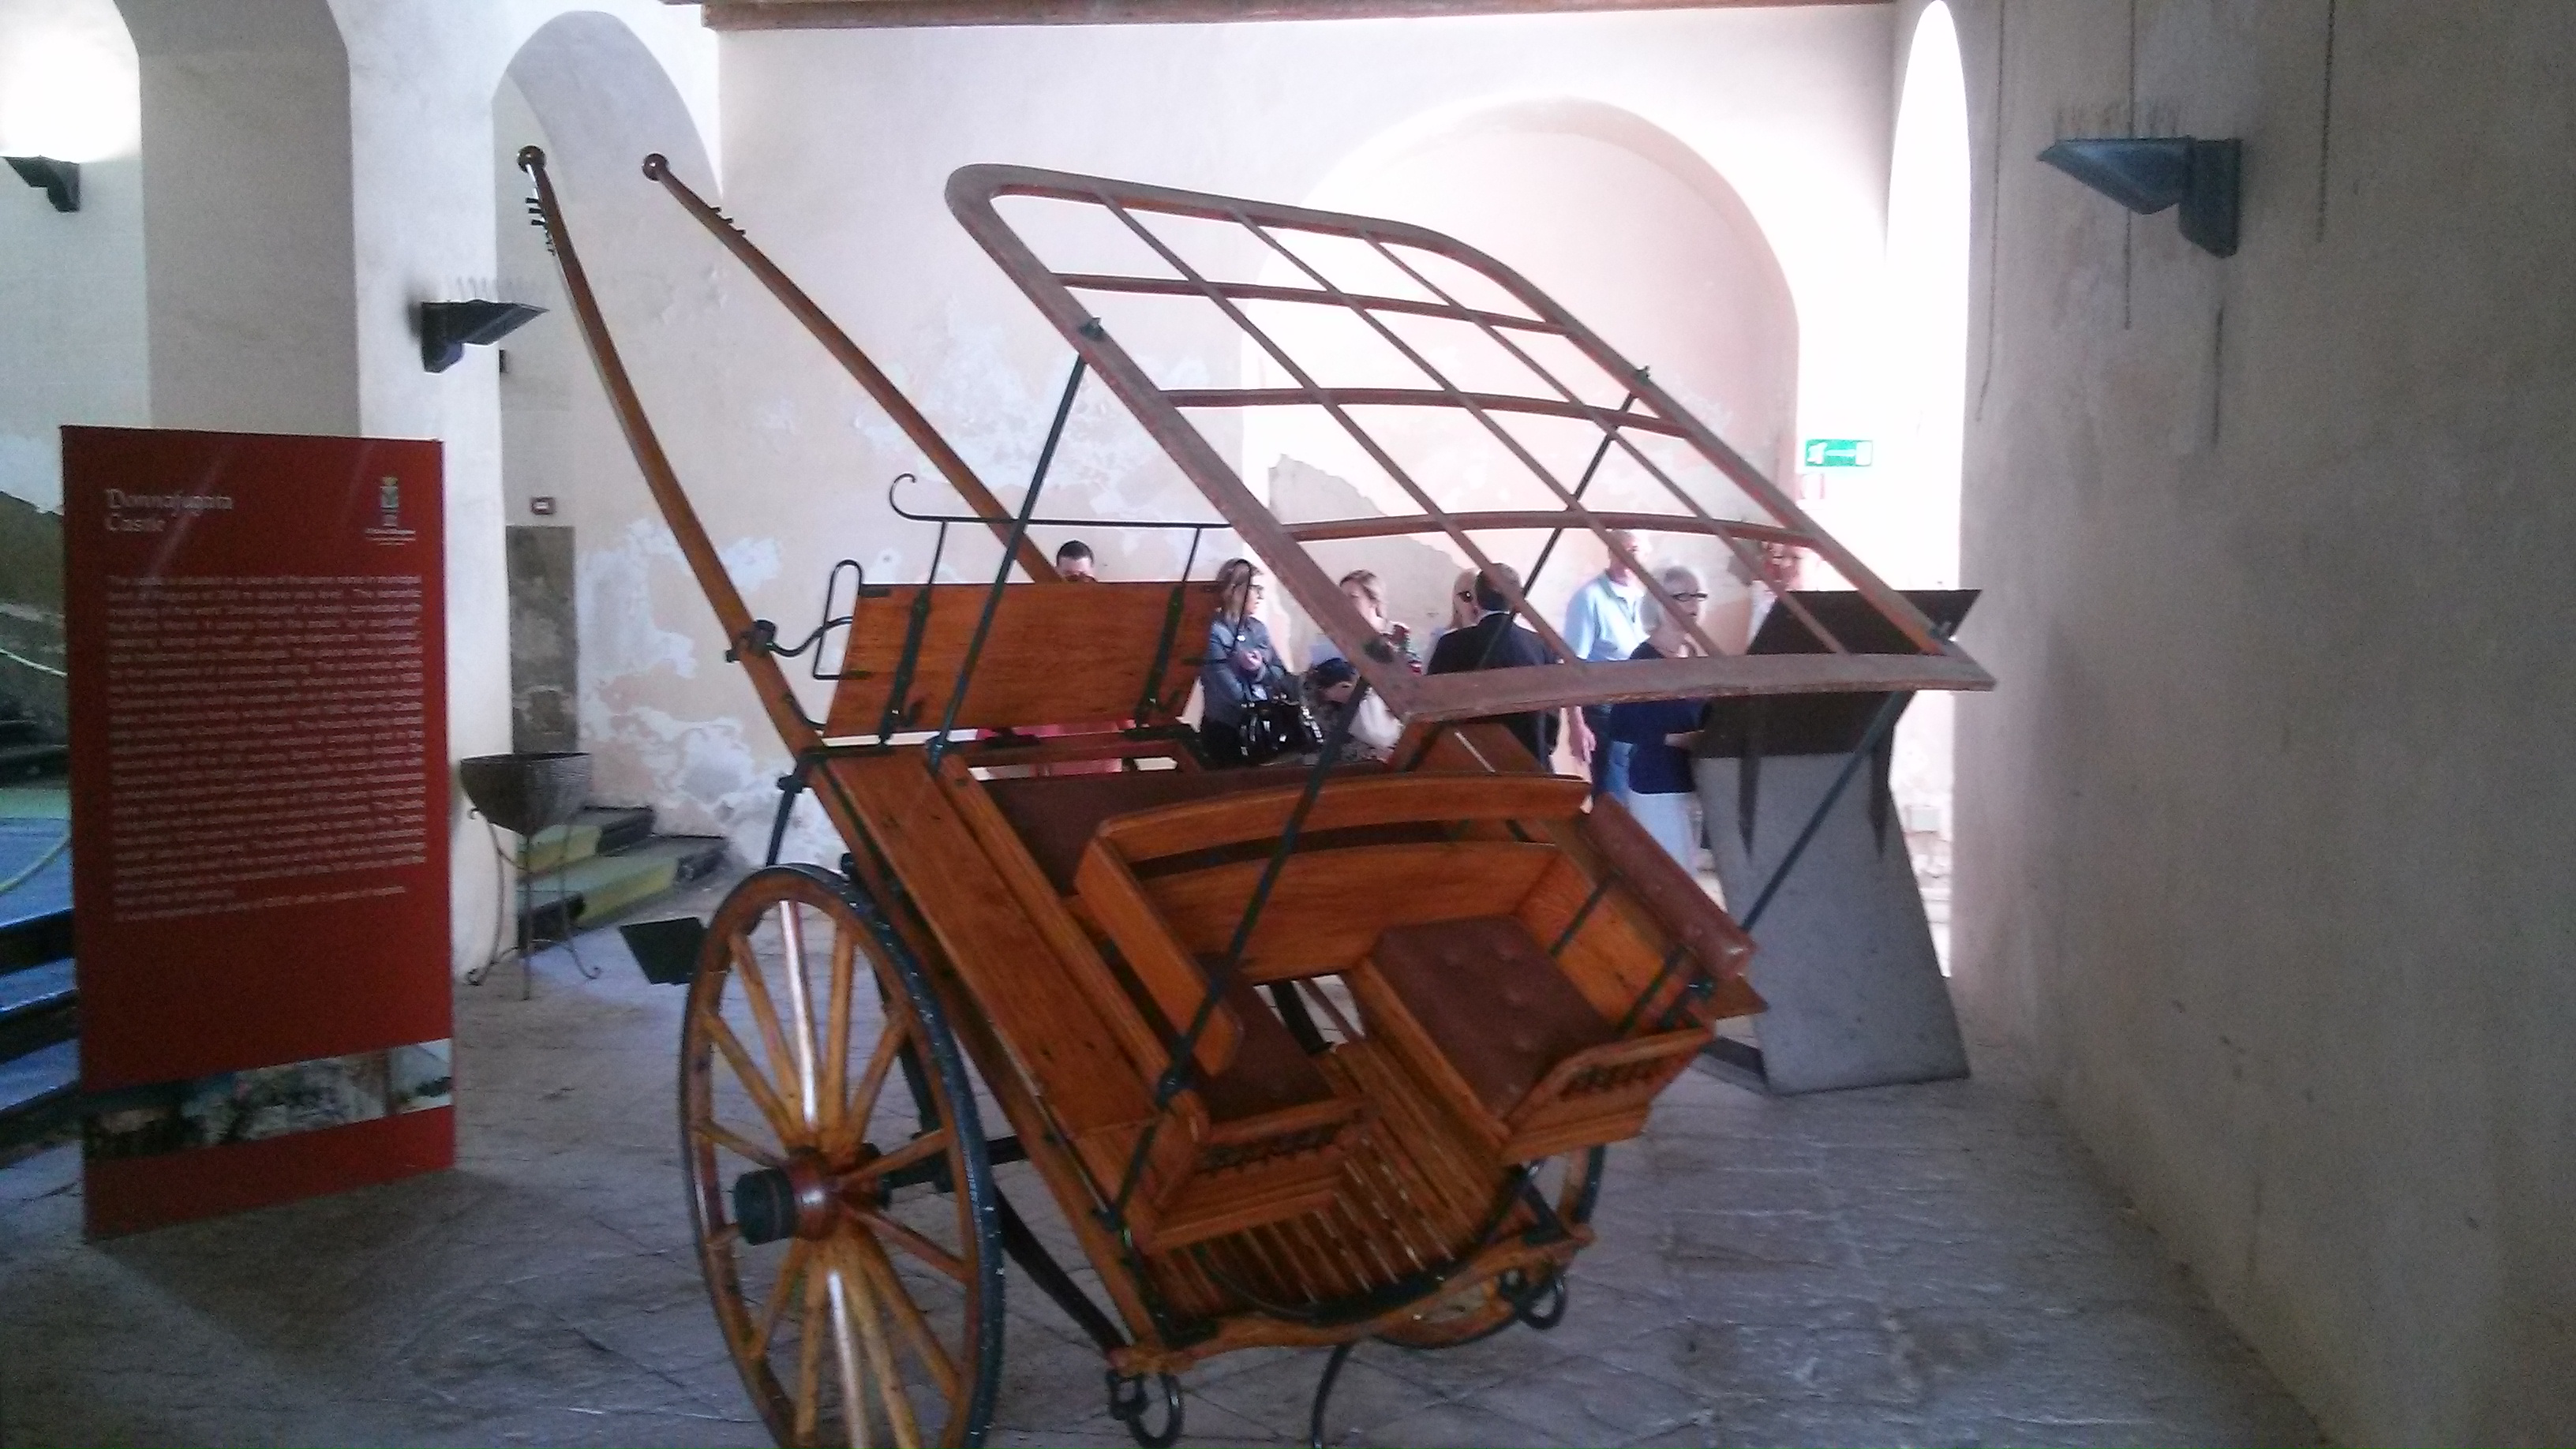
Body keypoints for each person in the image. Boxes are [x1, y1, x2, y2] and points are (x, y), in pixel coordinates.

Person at [1606, 566, 1714, 869]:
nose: (1693, 604)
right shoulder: (1643, 661)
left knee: (1689, 872)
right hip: (1658, 784)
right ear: (1658, 603)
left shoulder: (1692, 655)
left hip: (1694, 780)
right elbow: (1620, 724)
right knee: (1673, 874)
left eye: (1698, 596)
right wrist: (1677, 739)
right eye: (1682, 596)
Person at [1426, 565, 1574, 767]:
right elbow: (1551, 725)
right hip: (1531, 767)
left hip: (1469, 767)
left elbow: (1431, 711)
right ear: (1517, 600)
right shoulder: (1542, 646)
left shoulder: (1451, 644)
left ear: (1476, 598)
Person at [1562, 529, 1649, 796]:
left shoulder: (1643, 598)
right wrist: (1576, 724)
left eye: (1634, 551)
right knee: (1612, 796)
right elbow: (1572, 666)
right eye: (1621, 550)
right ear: (1610, 553)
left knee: (1637, 795)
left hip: (1641, 709)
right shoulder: (1589, 598)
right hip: (1604, 713)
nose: (1628, 557)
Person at [1199, 558, 1294, 766]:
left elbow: (1280, 674)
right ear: (1234, 590)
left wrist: (1258, 670)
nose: (1261, 596)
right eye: (1256, 589)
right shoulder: (1212, 631)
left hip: (1264, 726)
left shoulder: (1258, 628)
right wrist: (1262, 688)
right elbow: (1230, 691)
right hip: (1227, 730)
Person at [1307, 569, 1420, 673]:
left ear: (1373, 601)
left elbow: (1414, 675)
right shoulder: (1335, 637)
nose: (1344, 603)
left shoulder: (1397, 634)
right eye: (1341, 598)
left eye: (1353, 597)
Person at [1302, 656, 1401, 763]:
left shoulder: (1373, 697)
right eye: (1344, 687)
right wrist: (1369, 752)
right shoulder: (1327, 712)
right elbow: (1336, 745)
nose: (1352, 690)